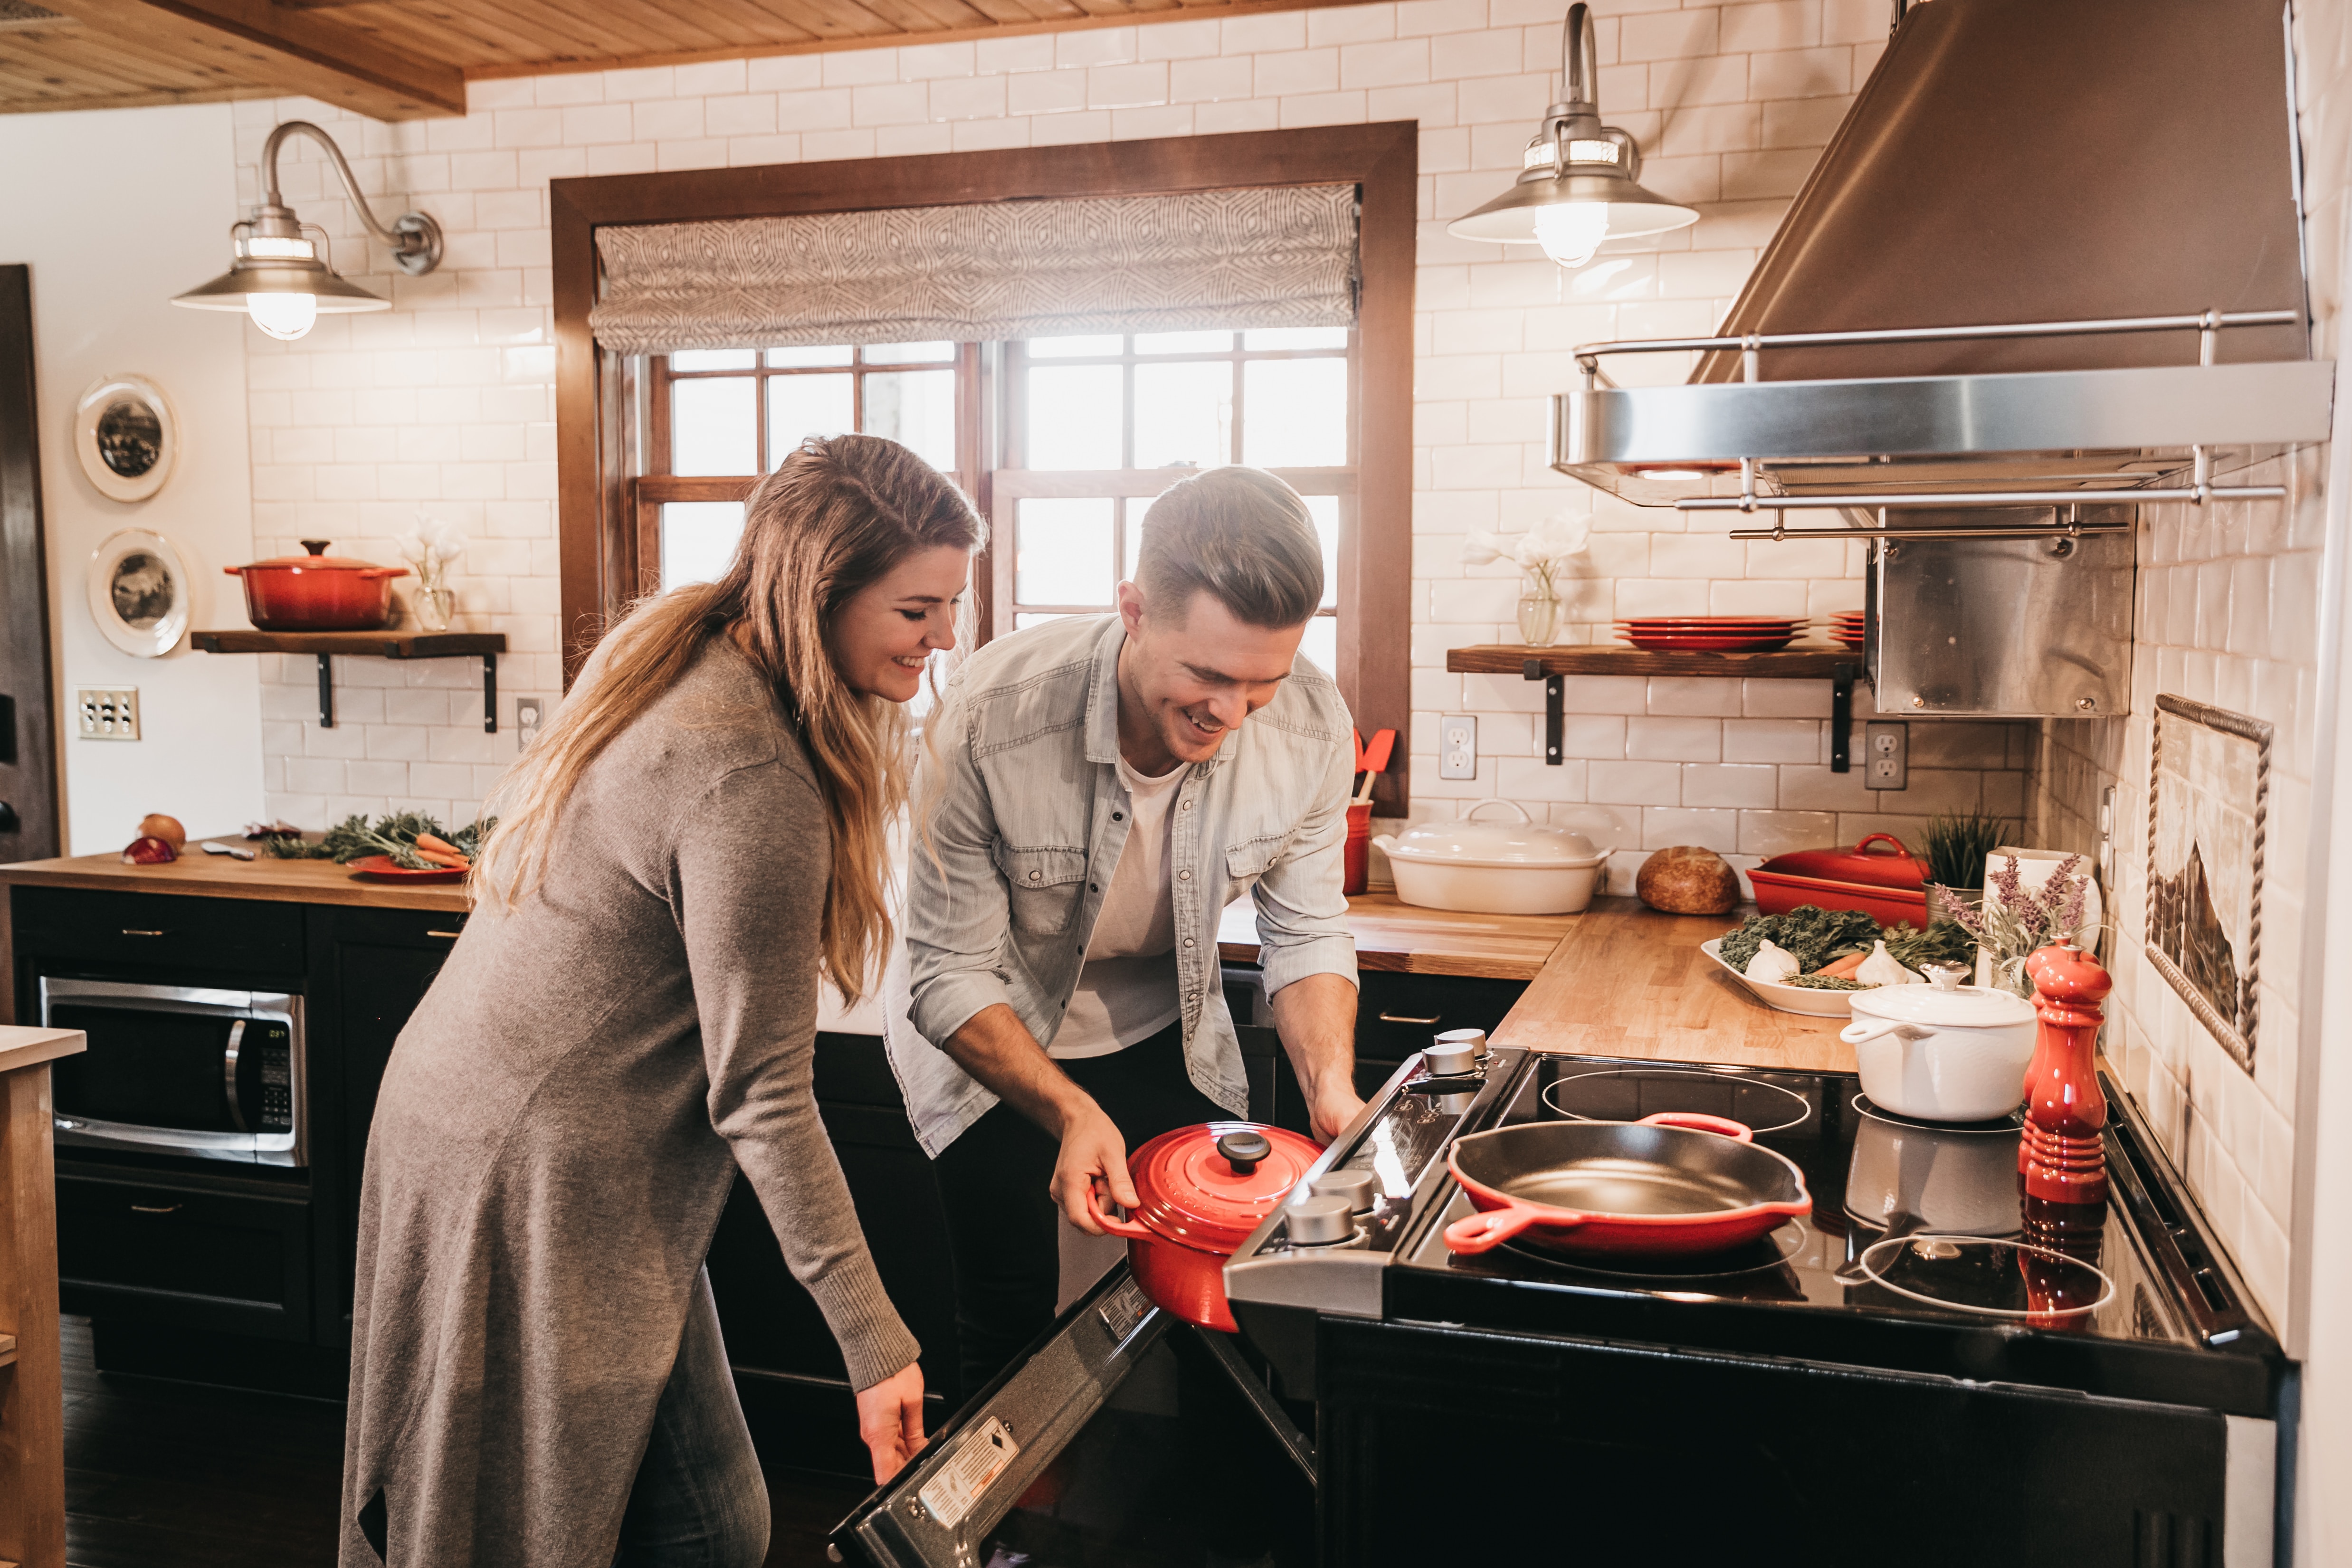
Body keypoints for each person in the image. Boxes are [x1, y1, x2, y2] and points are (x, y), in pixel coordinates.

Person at [340, 433, 981, 1568]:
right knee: (657, 1525)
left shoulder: (682, 651)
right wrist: (878, 1346)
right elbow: (766, 1097)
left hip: (475, 1120)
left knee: (691, 1515)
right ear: (817, 590)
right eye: (918, 609)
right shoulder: (750, 773)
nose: (942, 639)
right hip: (537, 1164)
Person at [887, 465, 1365, 1393]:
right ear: (1134, 610)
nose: (1229, 713)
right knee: (1011, 1311)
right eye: (1207, 674)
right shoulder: (989, 716)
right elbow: (946, 970)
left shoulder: (1309, 724)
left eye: (1260, 682)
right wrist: (1069, 1110)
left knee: (1219, 1304)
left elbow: (1305, 932)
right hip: (992, 1029)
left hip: (1163, 1027)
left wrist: (1332, 1085)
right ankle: (1008, 1537)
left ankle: (1207, 1531)